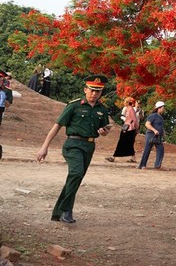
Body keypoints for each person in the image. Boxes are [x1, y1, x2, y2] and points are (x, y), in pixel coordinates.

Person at [36, 74, 111, 223]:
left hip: (89, 146)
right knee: (76, 174)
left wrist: (104, 132)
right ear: (85, 90)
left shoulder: (102, 109)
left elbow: (103, 130)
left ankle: (59, 213)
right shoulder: (74, 105)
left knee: (75, 179)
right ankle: (66, 210)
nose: (94, 94)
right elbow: (57, 126)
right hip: (73, 145)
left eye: (98, 91)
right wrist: (44, 147)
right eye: (92, 90)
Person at [107, 97, 140, 163]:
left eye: (125, 101)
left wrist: (136, 128)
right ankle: (133, 158)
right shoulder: (128, 109)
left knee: (123, 142)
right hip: (127, 127)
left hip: (129, 128)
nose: (124, 102)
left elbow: (134, 119)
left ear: (127, 102)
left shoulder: (130, 109)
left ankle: (114, 157)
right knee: (128, 143)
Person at [138, 101, 166, 170]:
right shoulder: (153, 115)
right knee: (147, 150)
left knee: (161, 149)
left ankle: (157, 165)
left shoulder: (160, 117)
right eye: (163, 107)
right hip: (151, 135)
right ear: (159, 108)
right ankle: (142, 165)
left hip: (158, 136)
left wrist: (163, 132)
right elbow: (147, 124)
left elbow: (160, 126)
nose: (163, 109)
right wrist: (154, 130)